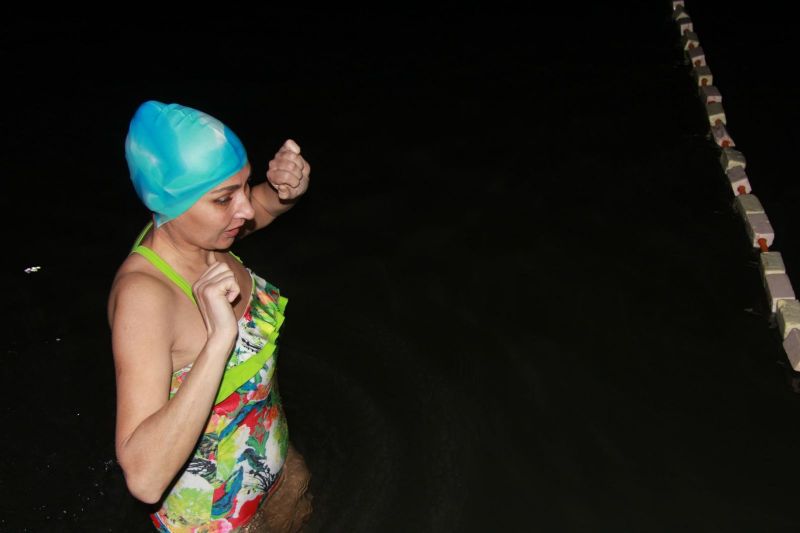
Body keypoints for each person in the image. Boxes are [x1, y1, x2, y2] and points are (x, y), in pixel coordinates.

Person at [107, 100, 313, 532]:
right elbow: (144, 478)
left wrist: (281, 192)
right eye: (224, 198)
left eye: (243, 186)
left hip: (268, 468)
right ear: (170, 203)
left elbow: (260, 208)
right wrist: (220, 339)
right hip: (216, 521)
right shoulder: (144, 299)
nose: (245, 208)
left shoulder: (204, 238)